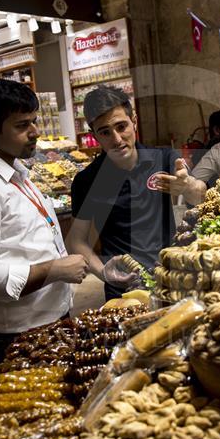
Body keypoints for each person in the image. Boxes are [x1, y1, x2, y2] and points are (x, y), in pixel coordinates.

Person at [0, 80, 88, 392]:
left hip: (50, 323)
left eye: (34, 121)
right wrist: (54, 270)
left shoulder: (17, 173)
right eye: (22, 125)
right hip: (18, 337)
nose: (35, 131)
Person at [67, 87, 179, 300]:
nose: (117, 139)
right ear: (94, 136)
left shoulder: (164, 158)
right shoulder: (86, 180)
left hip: (170, 279)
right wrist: (104, 273)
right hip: (124, 290)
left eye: (121, 126)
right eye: (105, 132)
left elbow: (197, 193)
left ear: (134, 121)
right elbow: (77, 240)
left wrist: (188, 185)